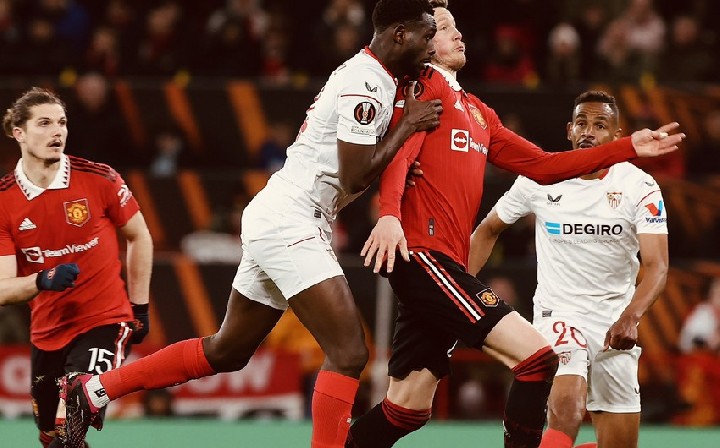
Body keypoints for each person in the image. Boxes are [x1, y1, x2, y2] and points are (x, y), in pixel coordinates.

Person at [59, 1, 443, 448]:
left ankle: (93, 390)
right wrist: (407, 127)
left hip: (284, 214)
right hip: (291, 220)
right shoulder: (366, 82)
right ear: (399, 34)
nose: (431, 45)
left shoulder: (376, 76)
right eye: (426, 35)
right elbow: (356, 176)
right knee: (349, 352)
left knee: (229, 349)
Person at [347, 1, 684, 447]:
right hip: (425, 257)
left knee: (406, 408)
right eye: (444, 28)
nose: (457, 34)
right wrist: (389, 212)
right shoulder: (423, 87)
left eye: (455, 26)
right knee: (538, 359)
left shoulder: (479, 113)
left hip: (446, 267)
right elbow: (400, 156)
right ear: (425, 41)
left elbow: (544, 166)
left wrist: (629, 149)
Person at [468, 90, 670, 448]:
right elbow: (488, 230)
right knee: (568, 407)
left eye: (600, 125)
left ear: (617, 136)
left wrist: (631, 317)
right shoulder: (539, 177)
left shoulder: (639, 186)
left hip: (614, 323)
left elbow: (657, 266)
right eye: (581, 123)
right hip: (559, 314)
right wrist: (456, 290)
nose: (589, 131)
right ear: (569, 130)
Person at [0, 87, 153, 448]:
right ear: (19, 133)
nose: (57, 131)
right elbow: (3, 288)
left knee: (72, 418)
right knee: (51, 434)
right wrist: (42, 280)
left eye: (62, 122)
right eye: (44, 123)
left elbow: (139, 236)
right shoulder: (4, 201)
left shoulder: (100, 179)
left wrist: (140, 306)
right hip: (47, 332)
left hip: (105, 320)